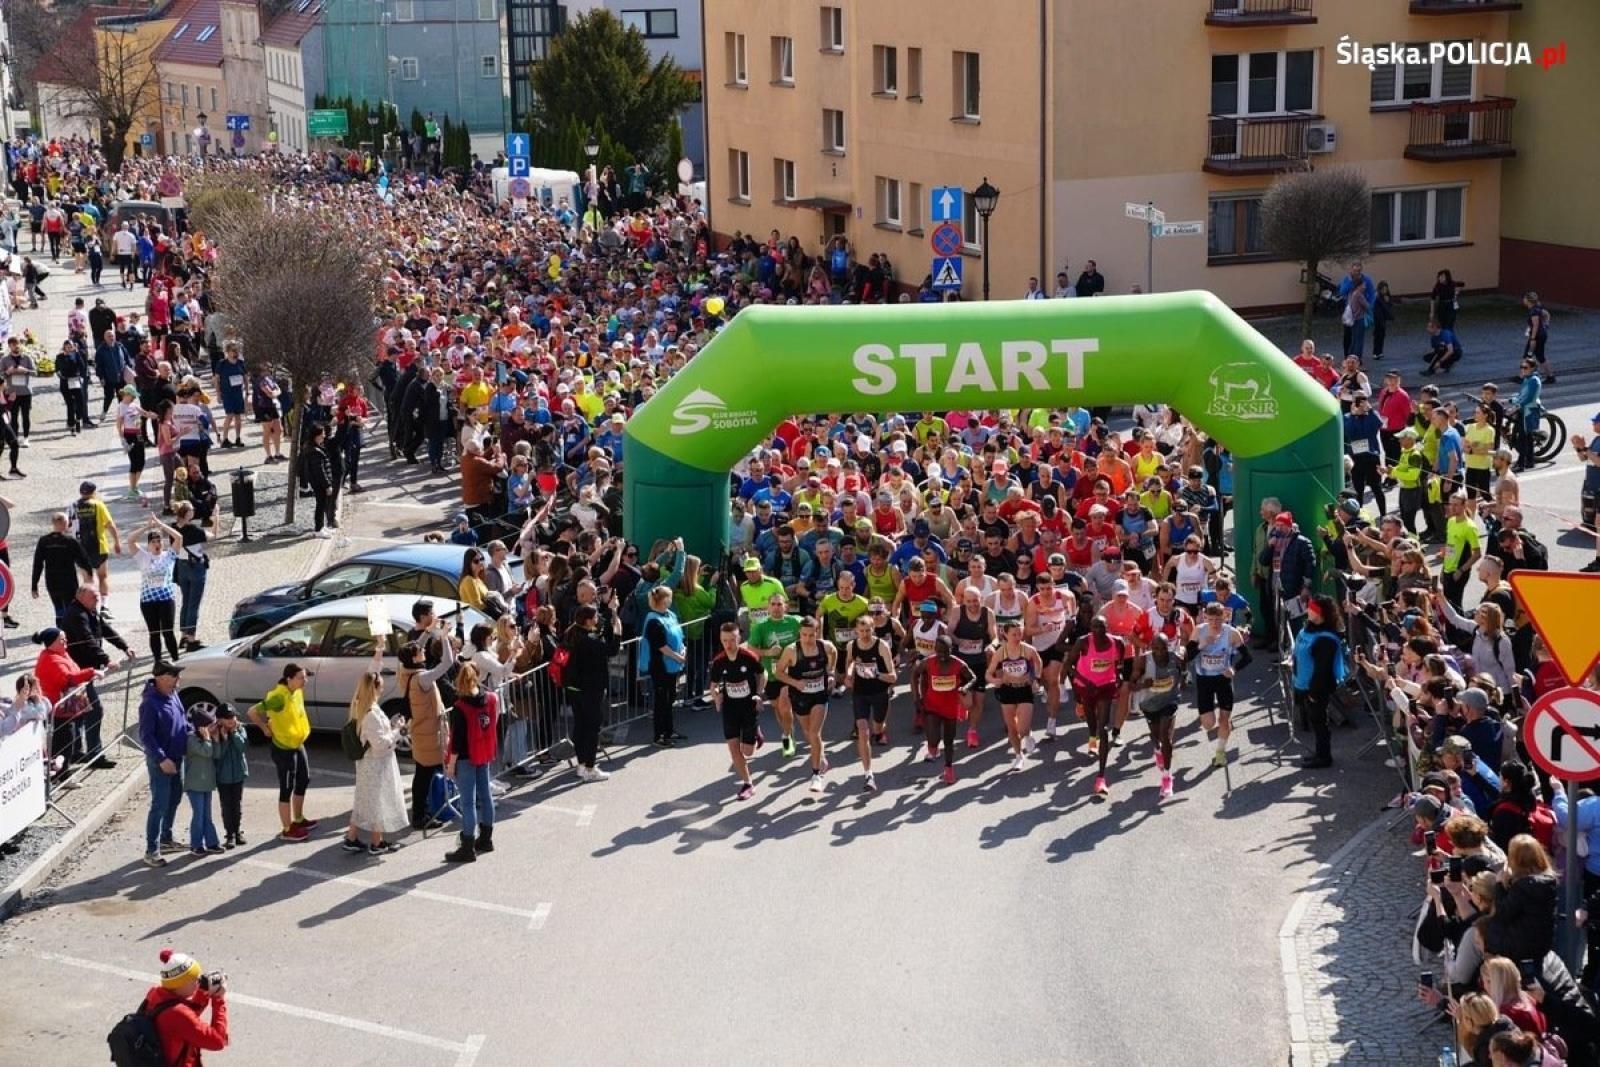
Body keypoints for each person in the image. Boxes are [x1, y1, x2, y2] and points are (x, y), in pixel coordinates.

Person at [246, 664, 318, 842]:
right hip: (283, 748)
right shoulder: (278, 697)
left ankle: (299, 819)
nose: (305, 681)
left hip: (297, 744)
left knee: (304, 779)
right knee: (286, 788)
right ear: (289, 679)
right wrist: (264, 729)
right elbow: (252, 712)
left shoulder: (297, 691)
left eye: (305, 677)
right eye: (301, 677)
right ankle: (287, 829)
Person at [342, 666, 408, 856]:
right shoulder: (370, 713)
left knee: (364, 800)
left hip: (371, 763)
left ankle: (352, 838)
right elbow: (380, 744)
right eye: (380, 687)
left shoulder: (365, 707)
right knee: (377, 801)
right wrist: (397, 730)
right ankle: (376, 843)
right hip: (375, 763)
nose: (383, 690)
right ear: (374, 689)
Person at [774, 615, 838, 791]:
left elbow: (834, 653)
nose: (808, 639)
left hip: (819, 695)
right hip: (800, 696)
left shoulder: (825, 647)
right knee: (808, 732)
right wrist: (795, 683)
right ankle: (789, 738)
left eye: (811, 635)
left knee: (815, 732)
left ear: (817, 633)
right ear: (799, 634)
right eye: (804, 635)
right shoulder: (791, 650)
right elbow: (778, 672)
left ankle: (816, 774)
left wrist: (831, 673)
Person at [1068, 615, 1129, 797]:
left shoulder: (1117, 642)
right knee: (1091, 719)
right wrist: (1082, 684)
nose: (1097, 631)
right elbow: (1068, 665)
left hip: (1105, 687)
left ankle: (1101, 777)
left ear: (1106, 627)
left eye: (1101, 627)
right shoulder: (1083, 642)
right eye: (1094, 627)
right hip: (1087, 686)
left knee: (1103, 727)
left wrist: (1118, 676)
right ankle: (1091, 739)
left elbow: (1119, 663)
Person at [444, 661, 499, 863]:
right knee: (486, 796)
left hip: (466, 758)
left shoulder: (460, 707)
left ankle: (467, 846)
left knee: (468, 802)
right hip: (483, 753)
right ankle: (486, 838)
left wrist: (451, 765)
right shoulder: (491, 699)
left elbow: (457, 742)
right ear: (478, 677)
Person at [562, 601, 621, 784]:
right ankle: (590, 767)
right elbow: (611, 650)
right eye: (595, 618)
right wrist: (617, 631)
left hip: (573, 687)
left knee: (580, 725)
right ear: (588, 621)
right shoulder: (589, 640)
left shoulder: (571, 633)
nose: (597, 620)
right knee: (592, 727)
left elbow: (600, 636)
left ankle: (581, 765)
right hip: (590, 689)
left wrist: (611, 609)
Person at [137, 663, 189, 867]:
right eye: (174, 675)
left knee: (175, 797)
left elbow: (182, 722)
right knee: (159, 804)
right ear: (159, 677)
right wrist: (161, 759)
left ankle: (166, 838)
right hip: (162, 762)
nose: (178, 680)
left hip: (177, 757)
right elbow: (146, 736)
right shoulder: (149, 704)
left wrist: (195, 731)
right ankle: (152, 850)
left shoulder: (173, 694)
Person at [142, 948, 229, 1066]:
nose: (199, 983)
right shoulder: (178, 1013)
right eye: (196, 980)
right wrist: (218, 998)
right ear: (182, 983)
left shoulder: (155, 994)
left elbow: (187, 1018)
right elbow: (218, 1041)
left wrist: (204, 993)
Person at [1191, 600, 1251, 769]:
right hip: (1204, 680)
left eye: (1218, 620)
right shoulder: (1199, 631)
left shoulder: (1231, 633)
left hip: (1223, 679)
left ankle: (1220, 753)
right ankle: (1221, 726)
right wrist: (1202, 645)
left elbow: (1247, 657)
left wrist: (1233, 668)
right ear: (1205, 617)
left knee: (1224, 719)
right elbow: (1188, 656)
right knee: (1208, 724)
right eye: (1210, 620)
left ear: (1224, 617)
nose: (1214, 624)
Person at [710, 621, 766, 799]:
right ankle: (748, 784)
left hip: (749, 707)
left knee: (748, 751)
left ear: (739, 638)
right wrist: (717, 695)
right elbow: (714, 685)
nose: (728, 644)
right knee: (734, 750)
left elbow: (762, 674)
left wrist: (758, 693)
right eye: (725, 640)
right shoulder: (719, 662)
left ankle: (756, 732)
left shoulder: (748, 656)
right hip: (730, 709)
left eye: (732, 640)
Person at [1290, 595, 1346, 769]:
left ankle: (1324, 756)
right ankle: (1319, 753)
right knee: (1315, 721)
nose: (1308, 611)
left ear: (1320, 614)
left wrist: (1314, 691)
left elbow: (1323, 669)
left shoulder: (1326, 639)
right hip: (1303, 681)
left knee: (1320, 722)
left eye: (1312, 609)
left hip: (1316, 687)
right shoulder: (1308, 628)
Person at [912, 634, 976, 784]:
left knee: (949, 740)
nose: (942, 656)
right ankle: (933, 747)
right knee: (933, 737)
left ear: (951, 650)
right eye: (939, 652)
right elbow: (915, 675)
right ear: (935, 650)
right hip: (932, 705)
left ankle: (949, 769)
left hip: (951, 707)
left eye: (945, 652)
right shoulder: (928, 662)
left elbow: (973, 677)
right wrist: (917, 698)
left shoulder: (958, 664)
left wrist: (964, 687)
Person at [986, 619, 1044, 773]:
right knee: (1012, 728)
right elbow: (988, 674)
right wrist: (996, 681)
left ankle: (1027, 734)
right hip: (1007, 690)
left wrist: (1036, 679)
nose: (1018, 637)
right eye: (1014, 634)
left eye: (1020, 633)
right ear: (1005, 634)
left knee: (1022, 727)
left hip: (1024, 689)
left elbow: (1038, 663)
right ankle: (1018, 756)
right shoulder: (1000, 652)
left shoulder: (1028, 650)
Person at [124, 514, 183, 664]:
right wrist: (147, 527)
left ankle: (176, 660)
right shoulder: (143, 556)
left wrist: (161, 525)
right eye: (153, 542)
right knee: (154, 633)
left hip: (166, 599)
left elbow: (179, 538)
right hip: (148, 601)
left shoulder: (168, 555)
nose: (157, 544)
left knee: (168, 632)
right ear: (148, 545)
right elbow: (130, 540)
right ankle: (158, 662)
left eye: (159, 541)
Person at [1132, 632, 1184, 798]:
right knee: (1156, 736)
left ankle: (1167, 778)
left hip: (1169, 701)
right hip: (1150, 704)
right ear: (1151, 648)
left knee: (1166, 737)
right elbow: (1131, 685)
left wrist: (1179, 683)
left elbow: (1183, 669)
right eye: (1155, 649)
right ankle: (1156, 749)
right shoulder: (1143, 660)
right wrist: (1142, 684)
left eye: (1162, 648)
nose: (1159, 652)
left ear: (1167, 647)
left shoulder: (1175, 658)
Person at [639, 585, 688, 747]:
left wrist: (683, 649)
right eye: (670, 597)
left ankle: (669, 730)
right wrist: (679, 657)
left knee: (670, 698)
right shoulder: (653, 621)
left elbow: (679, 636)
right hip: (660, 666)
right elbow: (661, 646)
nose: (672, 599)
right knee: (661, 701)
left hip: (673, 665)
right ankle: (659, 736)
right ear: (663, 600)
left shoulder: (670, 614)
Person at [31, 511, 94, 622]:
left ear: (53, 523)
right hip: (68, 580)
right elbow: (83, 559)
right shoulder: (70, 541)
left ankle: (60, 630)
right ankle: (70, 630)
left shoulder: (44, 541)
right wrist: (89, 575)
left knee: (58, 607)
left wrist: (34, 585)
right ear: (65, 523)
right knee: (71, 606)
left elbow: (37, 564)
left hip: (52, 580)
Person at [183, 708, 224, 856]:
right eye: (211, 725)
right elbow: (206, 752)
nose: (214, 727)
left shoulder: (209, 739)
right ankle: (196, 844)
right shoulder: (192, 739)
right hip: (195, 784)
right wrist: (208, 739)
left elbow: (217, 754)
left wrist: (217, 740)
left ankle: (212, 842)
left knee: (207, 815)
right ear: (202, 727)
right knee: (198, 815)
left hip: (206, 783)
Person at [213, 706, 248, 849]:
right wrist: (225, 739)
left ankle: (237, 831)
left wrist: (234, 734)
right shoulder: (216, 733)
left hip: (238, 773)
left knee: (237, 804)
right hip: (223, 776)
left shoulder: (240, 729)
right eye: (228, 718)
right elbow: (218, 754)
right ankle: (230, 834)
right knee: (227, 806)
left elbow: (242, 747)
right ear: (220, 720)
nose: (232, 720)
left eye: (233, 716)